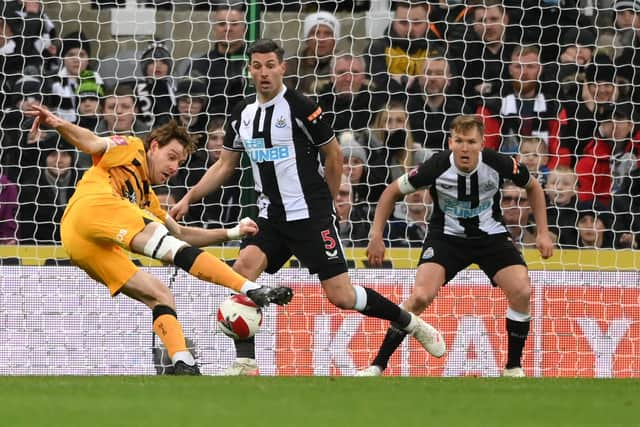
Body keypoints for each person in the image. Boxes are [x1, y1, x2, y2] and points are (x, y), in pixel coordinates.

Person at [170, 39, 445, 376]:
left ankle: (411, 323)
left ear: (282, 67)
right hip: (270, 216)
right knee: (242, 271)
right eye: (257, 66)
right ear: (250, 70)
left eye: (270, 65)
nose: (264, 72)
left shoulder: (300, 107)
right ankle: (246, 362)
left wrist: (326, 205)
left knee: (341, 296)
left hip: (309, 215)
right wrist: (188, 198)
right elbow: (224, 165)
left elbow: (333, 156)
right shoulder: (242, 112)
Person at [26, 104, 293, 375]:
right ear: (154, 146)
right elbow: (92, 141)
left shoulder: (146, 200)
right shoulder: (131, 148)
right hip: (90, 208)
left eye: (180, 163)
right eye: (171, 157)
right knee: (164, 244)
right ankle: (251, 289)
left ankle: (183, 363)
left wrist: (230, 233)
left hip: (82, 244)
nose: (174, 167)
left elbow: (181, 234)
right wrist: (58, 123)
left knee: (159, 294)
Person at [357, 115, 554, 377]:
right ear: (450, 142)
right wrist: (376, 235)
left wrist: (542, 232)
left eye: (471, 141)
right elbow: (391, 192)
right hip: (446, 238)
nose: (464, 148)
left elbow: (533, 188)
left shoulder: (499, 163)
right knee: (420, 297)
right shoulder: (436, 166)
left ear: (482, 143)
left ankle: (513, 367)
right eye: (459, 141)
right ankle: (377, 364)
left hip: (490, 237)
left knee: (521, 290)